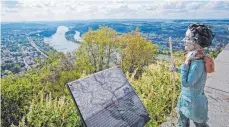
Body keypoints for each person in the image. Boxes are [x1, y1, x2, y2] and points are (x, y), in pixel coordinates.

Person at [170, 23, 214, 127]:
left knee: (199, 124)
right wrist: (177, 69)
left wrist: (185, 64)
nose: (184, 40)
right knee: (182, 122)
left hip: (193, 103)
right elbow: (190, 74)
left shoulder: (197, 64)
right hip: (186, 100)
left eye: (188, 38)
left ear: (196, 42)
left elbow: (186, 83)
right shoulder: (196, 59)